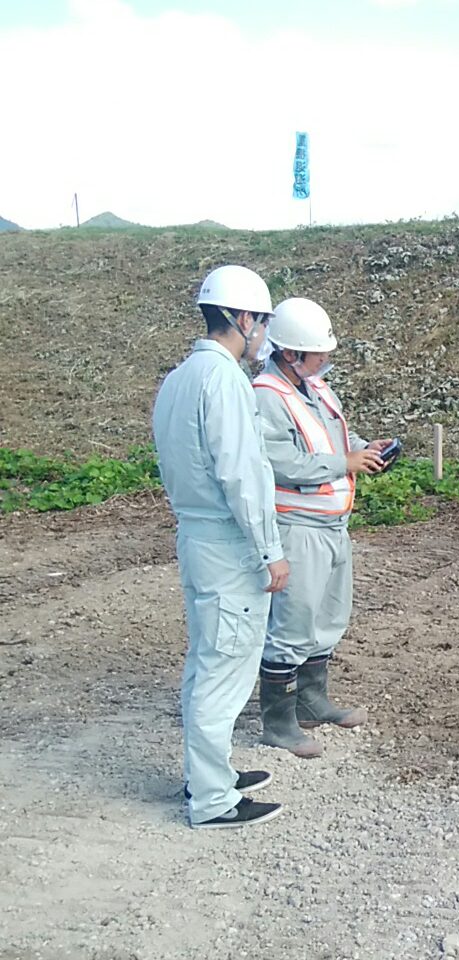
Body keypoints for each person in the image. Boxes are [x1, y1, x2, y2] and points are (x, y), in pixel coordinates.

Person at [152, 265, 289, 829]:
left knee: (206, 660)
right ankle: (212, 800)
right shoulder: (226, 381)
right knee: (224, 667)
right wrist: (269, 550)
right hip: (228, 542)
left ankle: (207, 775)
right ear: (242, 318)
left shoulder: (180, 377)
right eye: (259, 321)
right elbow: (242, 475)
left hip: (196, 533)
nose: (261, 334)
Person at [252, 297, 393, 757]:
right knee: (293, 622)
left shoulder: (313, 387)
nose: (326, 360)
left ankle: (312, 701)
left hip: (333, 525)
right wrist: (343, 462)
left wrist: (364, 449)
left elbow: (335, 437)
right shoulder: (266, 395)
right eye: (319, 354)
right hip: (297, 526)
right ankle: (278, 722)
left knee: (328, 618)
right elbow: (280, 460)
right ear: (291, 353)